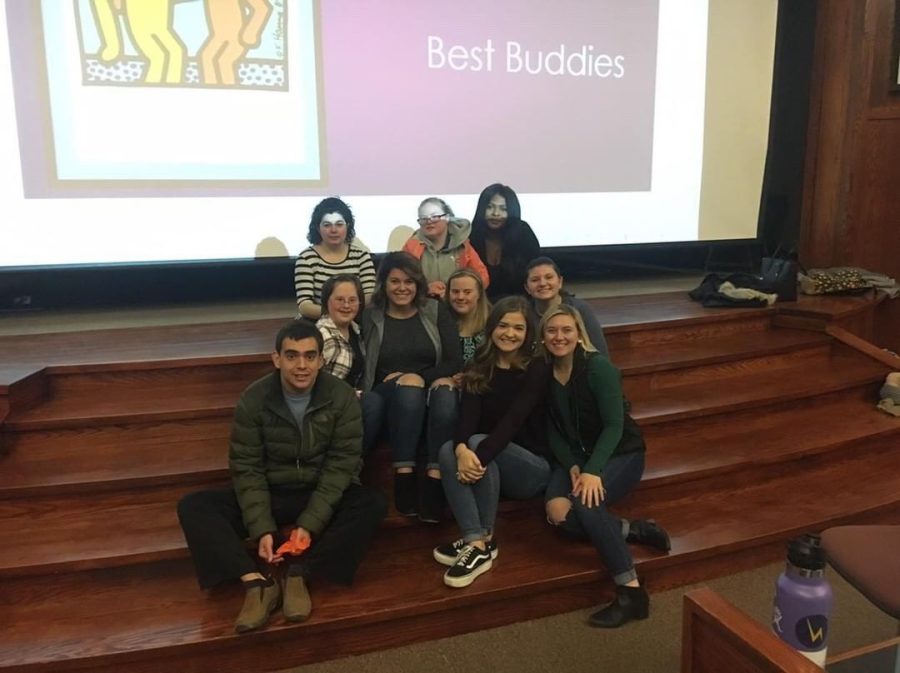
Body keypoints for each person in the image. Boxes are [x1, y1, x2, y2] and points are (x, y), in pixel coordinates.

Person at [177, 320, 387, 633]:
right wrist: (260, 527)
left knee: (372, 503)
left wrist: (309, 524)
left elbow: (342, 465)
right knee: (194, 506)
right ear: (276, 359)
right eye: (291, 356)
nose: (301, 365)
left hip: (317, 490)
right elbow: (247, 467)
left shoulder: (341, 397)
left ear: (320, 360)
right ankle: (255, 582)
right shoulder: (255, 398)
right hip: (272, 491)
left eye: (309, 356)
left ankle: (300, 572)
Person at [540, 304, 670, 628]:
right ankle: (633, 529)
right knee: (558, 514)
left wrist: (591, 470)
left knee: (585, 506)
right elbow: (552, 429)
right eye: (552, 331)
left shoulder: (599, 368)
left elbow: (614, 425)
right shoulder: (544, 373)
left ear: (579, 333)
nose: (560, 337)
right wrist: (572, 464)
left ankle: (631, 592)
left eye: (567, 330)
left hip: (619, 453)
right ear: (542, 337)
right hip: (576, 458)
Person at [435, 296, 552, 587]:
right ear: (491, 327)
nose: (509, 333)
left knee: (476, 443)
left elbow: (513, 422)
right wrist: (460, 449)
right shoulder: (480, 362)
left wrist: (471, 449)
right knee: (448, 450)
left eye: (518, 328)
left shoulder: (536, 367)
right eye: (503, 325)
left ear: (528, 334)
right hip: (490, 457)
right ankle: (478, 542)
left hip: (533, 468)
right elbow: (467, 416)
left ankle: (480, 542)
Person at [361, 252, 463, 523]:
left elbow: (455, 360)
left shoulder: (435, 309)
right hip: (386, 394)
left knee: (445, 387)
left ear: (418, 283)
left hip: (429, 389)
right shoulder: (371, 315)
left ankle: (435, 476)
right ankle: (403, 472)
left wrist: (415, 376)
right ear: (383, 283)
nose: (402, 287)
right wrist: (405, 380)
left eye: (409, 281)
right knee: (412, 386)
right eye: (394, 281)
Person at [294, 197, 376, 319]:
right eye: (327, 225)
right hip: (319, 323)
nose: (333, 230)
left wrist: (348, 312)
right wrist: (335, 314)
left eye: (339, 224)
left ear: (348, 226)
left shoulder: (361, 256)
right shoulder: (306, 258)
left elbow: (369, 296)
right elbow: (305, 305)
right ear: (318, 228)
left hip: (355, 320)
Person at [402, 197, 490, 298]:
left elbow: (483, 279)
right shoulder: (412, 245)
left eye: (435, 216)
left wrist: (455, 292)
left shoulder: (463, 245)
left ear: (447, 217)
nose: (429, 221)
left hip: (457, 305)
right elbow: (401, 282)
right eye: (423, 218)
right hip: (423, 305)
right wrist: (425, 289)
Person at [524, 256, 610, 358]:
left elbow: (599, 352)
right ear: (527, 288)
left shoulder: (580, 309)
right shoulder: (524, 313)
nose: (542, 283)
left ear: (560, 282)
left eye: (549, 277)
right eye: (535, 280)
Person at [470, 183, 540, 301]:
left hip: (519, 304)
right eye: (490, 207)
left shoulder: (523, 234)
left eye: (503, 209)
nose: (496, 213)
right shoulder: (471, 235)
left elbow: (535, 274)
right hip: (479, 306)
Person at [316, 274, 366, 388]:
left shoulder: (356, 329)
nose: (346, 305)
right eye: (340, 300)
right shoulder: (323, 335)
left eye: (352, 300)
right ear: (326, 302)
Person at [445, 268, 491, 367]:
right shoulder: (440, 323)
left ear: (479, 294)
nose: (460, 297)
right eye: (455, 291)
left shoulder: (493, 323)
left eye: (467, 292)